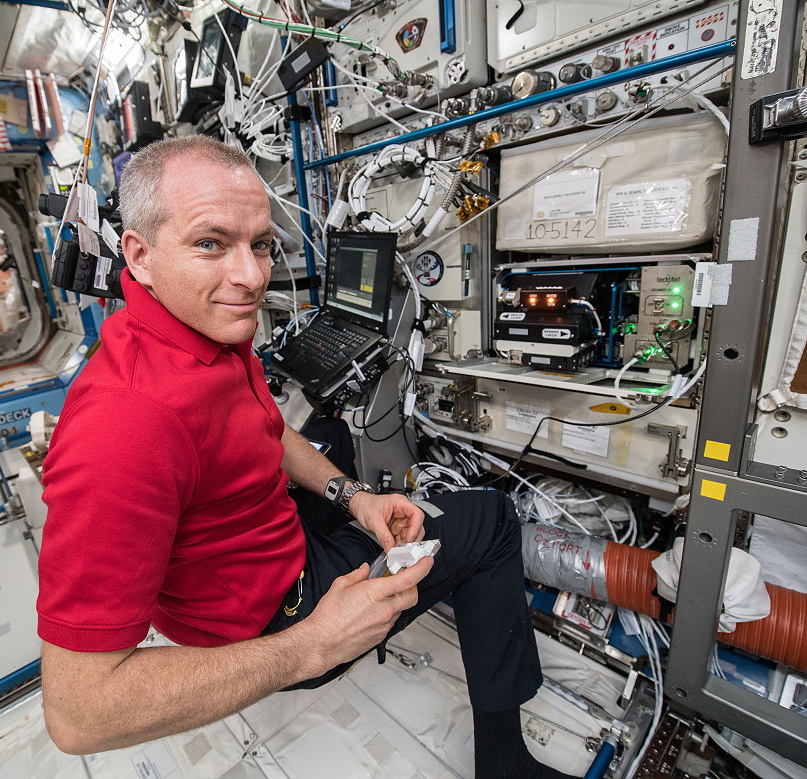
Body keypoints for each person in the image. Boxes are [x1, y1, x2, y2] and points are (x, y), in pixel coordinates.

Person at [36, 135, 571, 779]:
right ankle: (508, 765)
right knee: (487, 519)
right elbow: (79, 714)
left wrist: (356, 497)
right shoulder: (124, 429)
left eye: (259, 244)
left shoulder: (198, 327)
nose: (252, 277)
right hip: (274, 619)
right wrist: (311, 646)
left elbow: (261, 426)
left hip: (251, 548)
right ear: (140, 256)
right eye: (210, 243)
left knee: (334, 439)